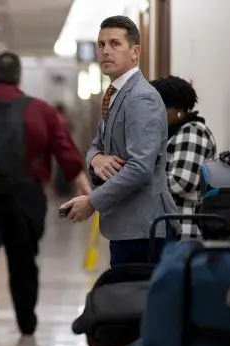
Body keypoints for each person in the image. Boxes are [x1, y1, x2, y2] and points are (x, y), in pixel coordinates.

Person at [0, 51, 89, 344]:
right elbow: (65, 151)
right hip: (25, 197)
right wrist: (86, 189)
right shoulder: (39, 110)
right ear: (19, 76)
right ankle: (26, 323)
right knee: (24, 261)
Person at [60, 15, 178, 266]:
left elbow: (140, 168)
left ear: (135, 52)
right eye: (101, 45)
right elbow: (95, 145)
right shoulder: (116, 93)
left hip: (144, 228)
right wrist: (96, 159)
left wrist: (92, 201)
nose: (105, 51)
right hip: (128, 225)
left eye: (115, 44)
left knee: (138, 302)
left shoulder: (140, 98)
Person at [150, 76, 218, 239]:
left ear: (178, 109)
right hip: (169, 229)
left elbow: (182, 182)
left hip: (184, 232)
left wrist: (139, 179)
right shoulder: (171, 133)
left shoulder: (192, 132)